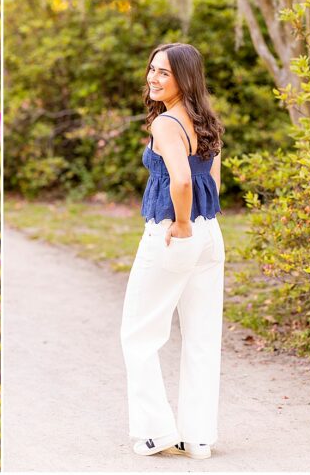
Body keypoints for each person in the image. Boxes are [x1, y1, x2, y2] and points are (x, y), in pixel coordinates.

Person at [120, 42, 225, 459]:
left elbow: (181, 181)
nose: (153, 78)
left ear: (185, 78)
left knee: (139, 334)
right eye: (152, 70)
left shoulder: (166, 123)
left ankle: (155, 432)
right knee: (201, 336)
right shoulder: (208, 121)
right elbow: (213, 180)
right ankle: (198, 438)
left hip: (173, 232)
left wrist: (181, 223)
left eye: (164, 72)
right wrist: (198, 224)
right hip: (209, 233)